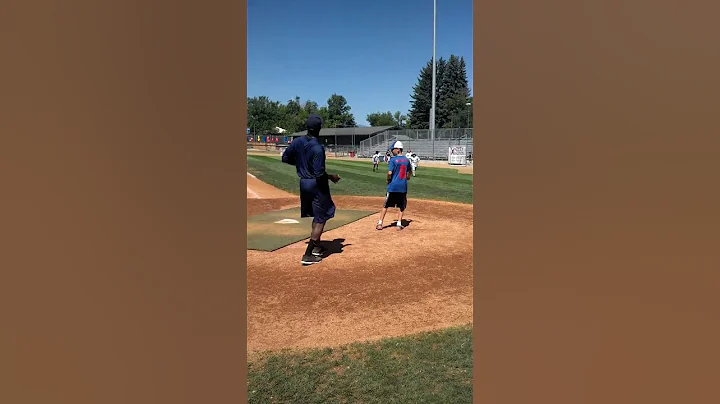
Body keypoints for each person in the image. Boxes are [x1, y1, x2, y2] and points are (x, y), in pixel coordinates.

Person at [281, 114, 341, 265]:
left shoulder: (297, 142)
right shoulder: (317, 148)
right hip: (316, 184)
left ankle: (317, 247)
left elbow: (285, 158)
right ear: (319, 129)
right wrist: (331, 177)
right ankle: (308, 254)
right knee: (323, 216)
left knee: (316, 214)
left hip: (304, 184)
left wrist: (301, 165)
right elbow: (319, 173)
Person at [376, 141, 412, 231]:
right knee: (402, 206)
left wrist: (388, 179)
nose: (392, 151)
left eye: (393, 149)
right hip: (402, 186)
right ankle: (399, 224)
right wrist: (407, 177)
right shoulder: (407, 160)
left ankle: (380, 223)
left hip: (393, 186)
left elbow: (389, 173)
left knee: (386, 205)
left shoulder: (393, 160)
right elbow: (409, 172)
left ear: (398, 149)